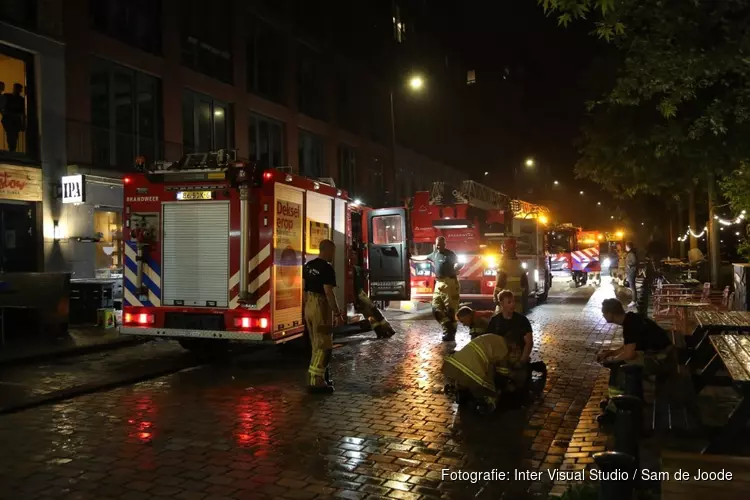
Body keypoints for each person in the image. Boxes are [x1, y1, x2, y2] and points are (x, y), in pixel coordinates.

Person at [595, 298, 675, 423]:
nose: (603, 315)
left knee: (620, 367)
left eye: (604, 313)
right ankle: (615, 400)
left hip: (661, 360)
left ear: (611, 313)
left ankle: (615, 407)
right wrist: (610, 353)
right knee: (620, 364)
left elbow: (629, 354)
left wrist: (612, 360)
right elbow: (629, 346)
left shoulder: (630, 325)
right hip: (661, 355)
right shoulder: (631, 319)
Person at [303, 239, 345, 393]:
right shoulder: (327, 269)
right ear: (327, 250)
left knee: (315, 344)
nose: (333, 255)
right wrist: (338, 313)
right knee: (325, 345)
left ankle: (316, 378)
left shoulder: (308, 266)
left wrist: (305, 308)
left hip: (309, 305)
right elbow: (328, 292)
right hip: (320, 306)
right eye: (333, 252)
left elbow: (303, 289)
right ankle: (317, 381)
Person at [442, 333, 512, 414]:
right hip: (473, 370)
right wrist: (503, 383)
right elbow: (502, 371)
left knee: (465, 380)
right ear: (512, 344)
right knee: (488, 387)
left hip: (455, 364)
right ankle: (486, 403)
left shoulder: (491, 337)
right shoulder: (503, 348)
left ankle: (462, 393)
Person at [411, 236, 464, 341]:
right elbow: (423, 258)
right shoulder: (434, 254)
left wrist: (456, 268)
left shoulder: (450, 254)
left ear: (445, 244)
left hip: (450, 283)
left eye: (441, 244)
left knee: (450, 311)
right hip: (439, 283)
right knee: (436, 309)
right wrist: (411, 257)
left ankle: (450, 334)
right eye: (437, 244)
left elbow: (460, 263)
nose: (439, 246)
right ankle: (448, 328)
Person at [487, 290, 538, 395]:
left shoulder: (522, 321)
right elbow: (489, 342)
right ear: (501, 304)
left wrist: (522, 361)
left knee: (520, 388)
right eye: (509, 302)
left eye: (513, 301)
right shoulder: (495, 321)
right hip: (501, 359)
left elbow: (529, 343)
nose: (513, 305)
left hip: (518, 359)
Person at [494, 238, 528, 314]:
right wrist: (525, 303)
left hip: (505, 301)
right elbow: (525, 285)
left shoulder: (503, 263)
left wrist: (495, 295)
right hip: (517, 301)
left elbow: (500, 282)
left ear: (504, 249)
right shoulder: (519, 263)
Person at [2, 83, 25, 153]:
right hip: (11, 121)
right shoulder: (9, 97)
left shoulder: (9, 97)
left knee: (12, 136)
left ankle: (12, 150)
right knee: (12, 136)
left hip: (12, 121)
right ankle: (12, 150)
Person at [624, 241, 638, 308]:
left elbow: (634, 261)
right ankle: (634, 300)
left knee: (632, 287)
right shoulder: (630, 253)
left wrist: (629, 265)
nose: (625, 248)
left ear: (628, 247)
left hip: (631, 272)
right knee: (632, 286)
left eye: (626, 246)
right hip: (630, 272)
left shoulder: (631, 253)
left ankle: (634, 301)